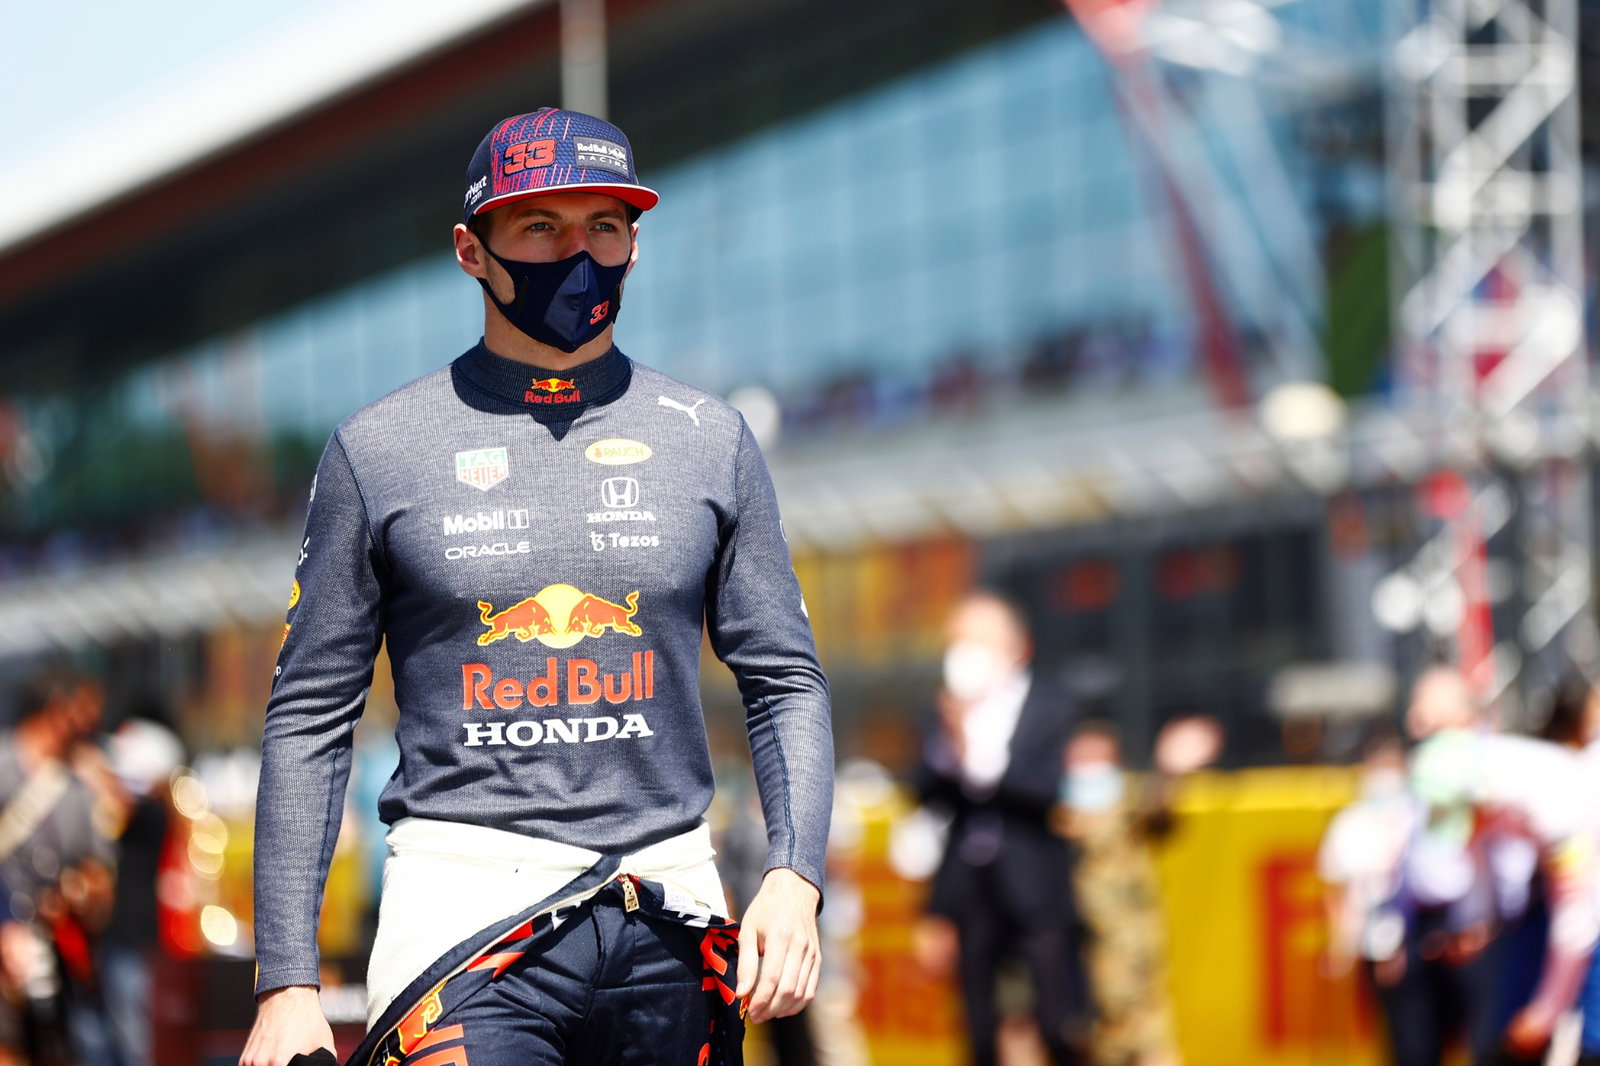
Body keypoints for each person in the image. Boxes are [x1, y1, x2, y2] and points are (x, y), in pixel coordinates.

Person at [241, 108, 834, 1066]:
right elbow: (309, 713)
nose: (580, 254)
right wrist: (287, 981)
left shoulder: (710, 437)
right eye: (542, 228)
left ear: (635, 244)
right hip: (463, 921)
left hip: (672, 914)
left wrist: (794, 879)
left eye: (604, 226)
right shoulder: (378, 449)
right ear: (471, 251)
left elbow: (786, 680)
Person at [912, 590, 1087, 1066]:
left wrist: (975, 752)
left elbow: (1045, 790)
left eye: (976, 641)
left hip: (1036, 884)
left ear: (1016, 646)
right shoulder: (941, 710)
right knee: (979, 1029)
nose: (964, 653)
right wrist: (950, 746)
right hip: (970, 888)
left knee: (1058, 1021)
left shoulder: (1050, 705)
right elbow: (925, 792)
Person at [1056, 715, 1219, 1066]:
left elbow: (1158, 810)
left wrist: (1170, 770)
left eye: (1099, 760)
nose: (1089, 771)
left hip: (1133, 959)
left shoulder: (1127, 806)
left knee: (1151, 1044)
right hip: (1076, 963)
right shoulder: (1050, 814)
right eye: (1081, 760)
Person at [0, 670, 115, 1066]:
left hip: (53, 955)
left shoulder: (82, 787)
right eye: (84, 707)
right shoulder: (4, 764)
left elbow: (99, 875)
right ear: (56, 705)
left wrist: (81, 893)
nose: (92, 719)